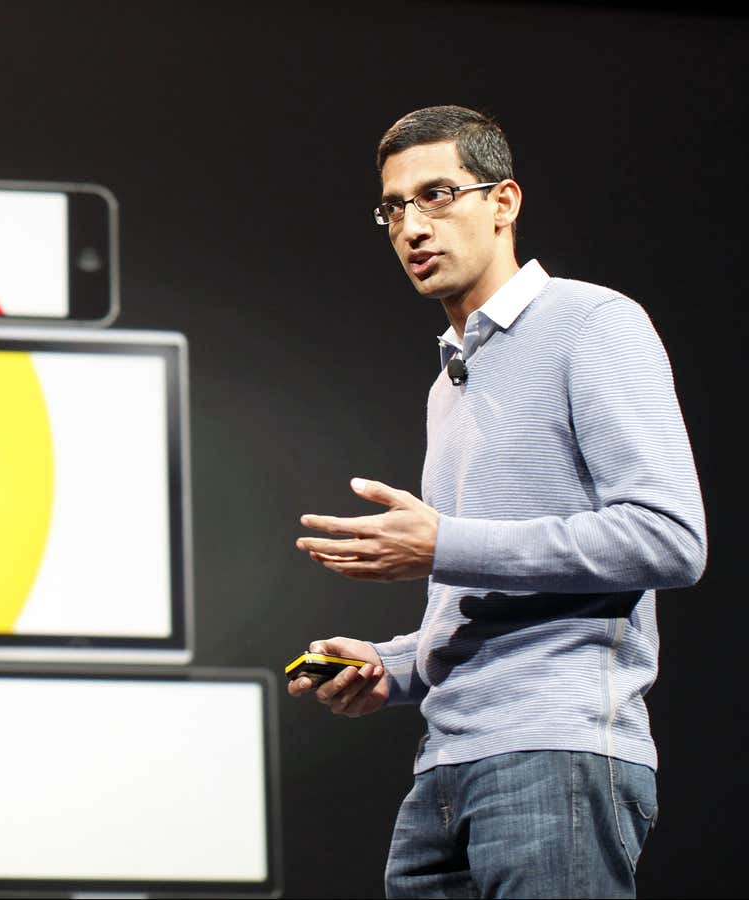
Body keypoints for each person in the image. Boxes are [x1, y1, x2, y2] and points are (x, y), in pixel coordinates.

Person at [290, 105, 707, 898]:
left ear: (504, 202)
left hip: (557, 752)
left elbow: (669, 539)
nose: (413, 225)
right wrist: (394, 664)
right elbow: (481, 592)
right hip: (443, 766)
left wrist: (444, 545)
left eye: (438, 194)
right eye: (394, 207)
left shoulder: (592, 323)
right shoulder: (447, 384)